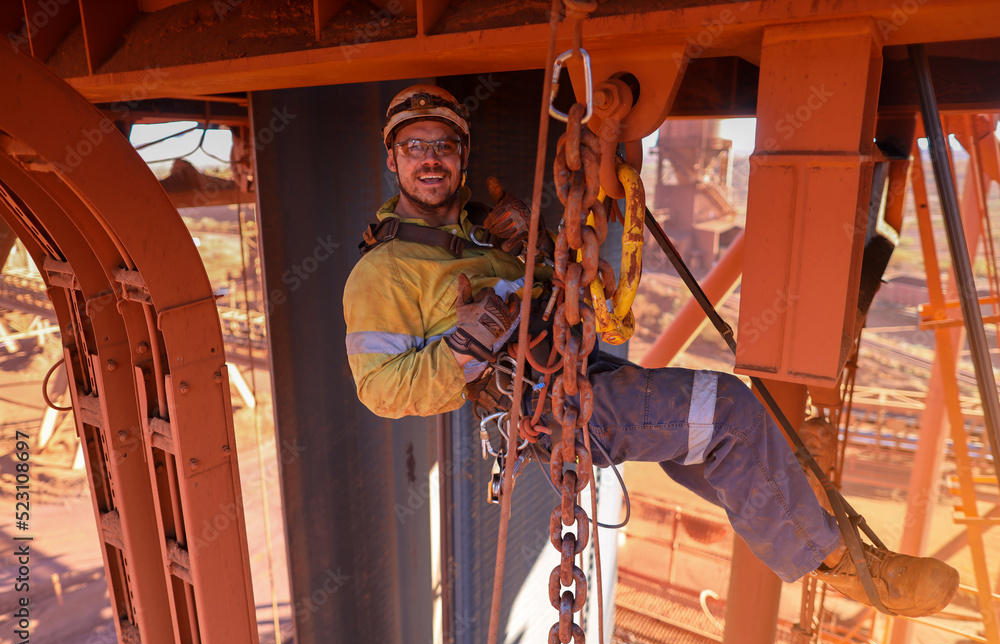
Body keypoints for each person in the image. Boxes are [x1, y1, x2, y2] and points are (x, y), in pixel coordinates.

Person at [343, 84, 960, 617]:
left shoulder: (475, 232)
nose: (430, 161)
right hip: (545, 406)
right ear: (392, 159)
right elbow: (380, 391)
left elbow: (550, 289)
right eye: (415, 148)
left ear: (462, 156)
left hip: (576, 373)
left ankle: (796, 512)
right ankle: (836, 565)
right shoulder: (383, 273)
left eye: (443, 146)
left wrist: (529, 245)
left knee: (703, 439)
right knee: (723, 409)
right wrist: (461, 350)